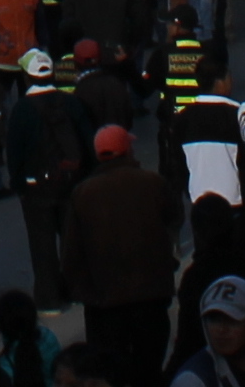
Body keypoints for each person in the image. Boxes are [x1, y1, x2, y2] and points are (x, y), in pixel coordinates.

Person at [59, 128, 185, 387]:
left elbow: (72, 251)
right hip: (150, 296)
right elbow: (174, 220)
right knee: (148, 371)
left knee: (108, 373)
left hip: (103, 304)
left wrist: (79, 290)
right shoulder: (152, 182)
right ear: (127, 150)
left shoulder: (83, 192)